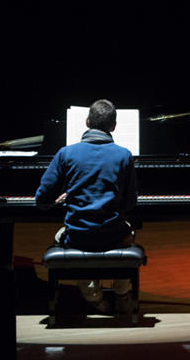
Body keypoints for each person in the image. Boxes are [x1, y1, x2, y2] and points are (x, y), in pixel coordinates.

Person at [35, 99, 138, 313]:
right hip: (114, 234)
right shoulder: (124, 155)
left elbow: (42, 197)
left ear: (87, 121)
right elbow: (130, 203)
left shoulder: (66, 153)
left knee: (65, 236)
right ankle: (122, 294)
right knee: (130, 232)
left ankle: (94, 296)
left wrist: (54, 202)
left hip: (78, 236)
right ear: (114, 126)